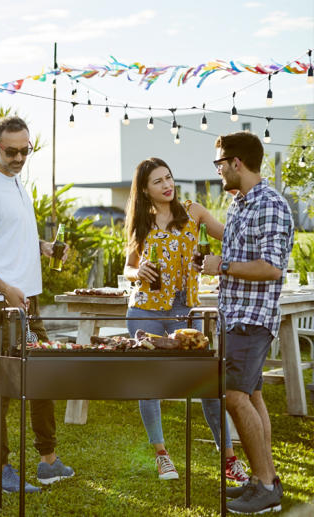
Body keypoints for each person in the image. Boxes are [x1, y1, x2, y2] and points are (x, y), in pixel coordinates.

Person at [0, 116, 74, 493]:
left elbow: (6, 237)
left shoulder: (16, 180)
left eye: (25, 151)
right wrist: (5, 287)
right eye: (11, 151)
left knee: (42, 374)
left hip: (25, 298)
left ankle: (47, 462)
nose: (19, 157)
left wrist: (41, 247)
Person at [122, 157, 247, 484]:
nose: (167, 185)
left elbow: (233, 240)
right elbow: (127, 268)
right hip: (145, 309)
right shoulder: (142, 222)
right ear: (146, 190)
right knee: (149, 382)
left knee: (206, 382)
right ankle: (162, 455)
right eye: (158, 182)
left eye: (169, 177)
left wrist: (223, 264)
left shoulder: (194, 212)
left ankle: (229, 459)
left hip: (186, 309)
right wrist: (138, 272)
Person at [201, 131, 292, 514]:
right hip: (236, 315)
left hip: (252, 319)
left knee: (234, 396)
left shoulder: (269, 204)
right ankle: (263, 480)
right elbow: (240, 246)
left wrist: (221, 266)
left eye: (219, 163)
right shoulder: (241, 203)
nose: (218, 170)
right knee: (251, 396)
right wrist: (207, 224)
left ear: (236, 163)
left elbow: (271, 267)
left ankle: (267, 486)